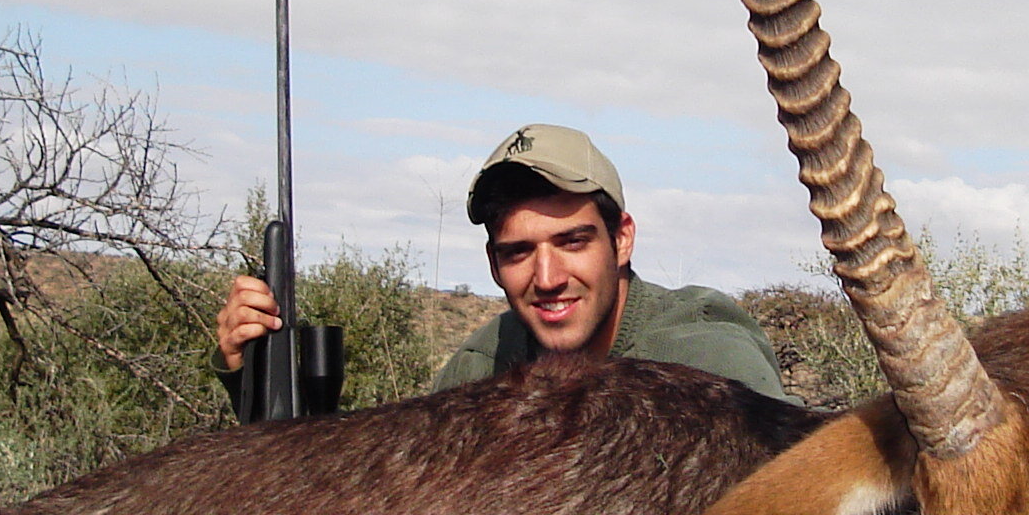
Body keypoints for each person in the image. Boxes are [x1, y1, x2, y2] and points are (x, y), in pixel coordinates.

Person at [215, 124, 790, 407]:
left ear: (622, 241)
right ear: (493, 264)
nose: (547, 278)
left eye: (572, 241)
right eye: (519, 251)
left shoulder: (705, 354)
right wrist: (255, 380)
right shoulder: (478, 367)